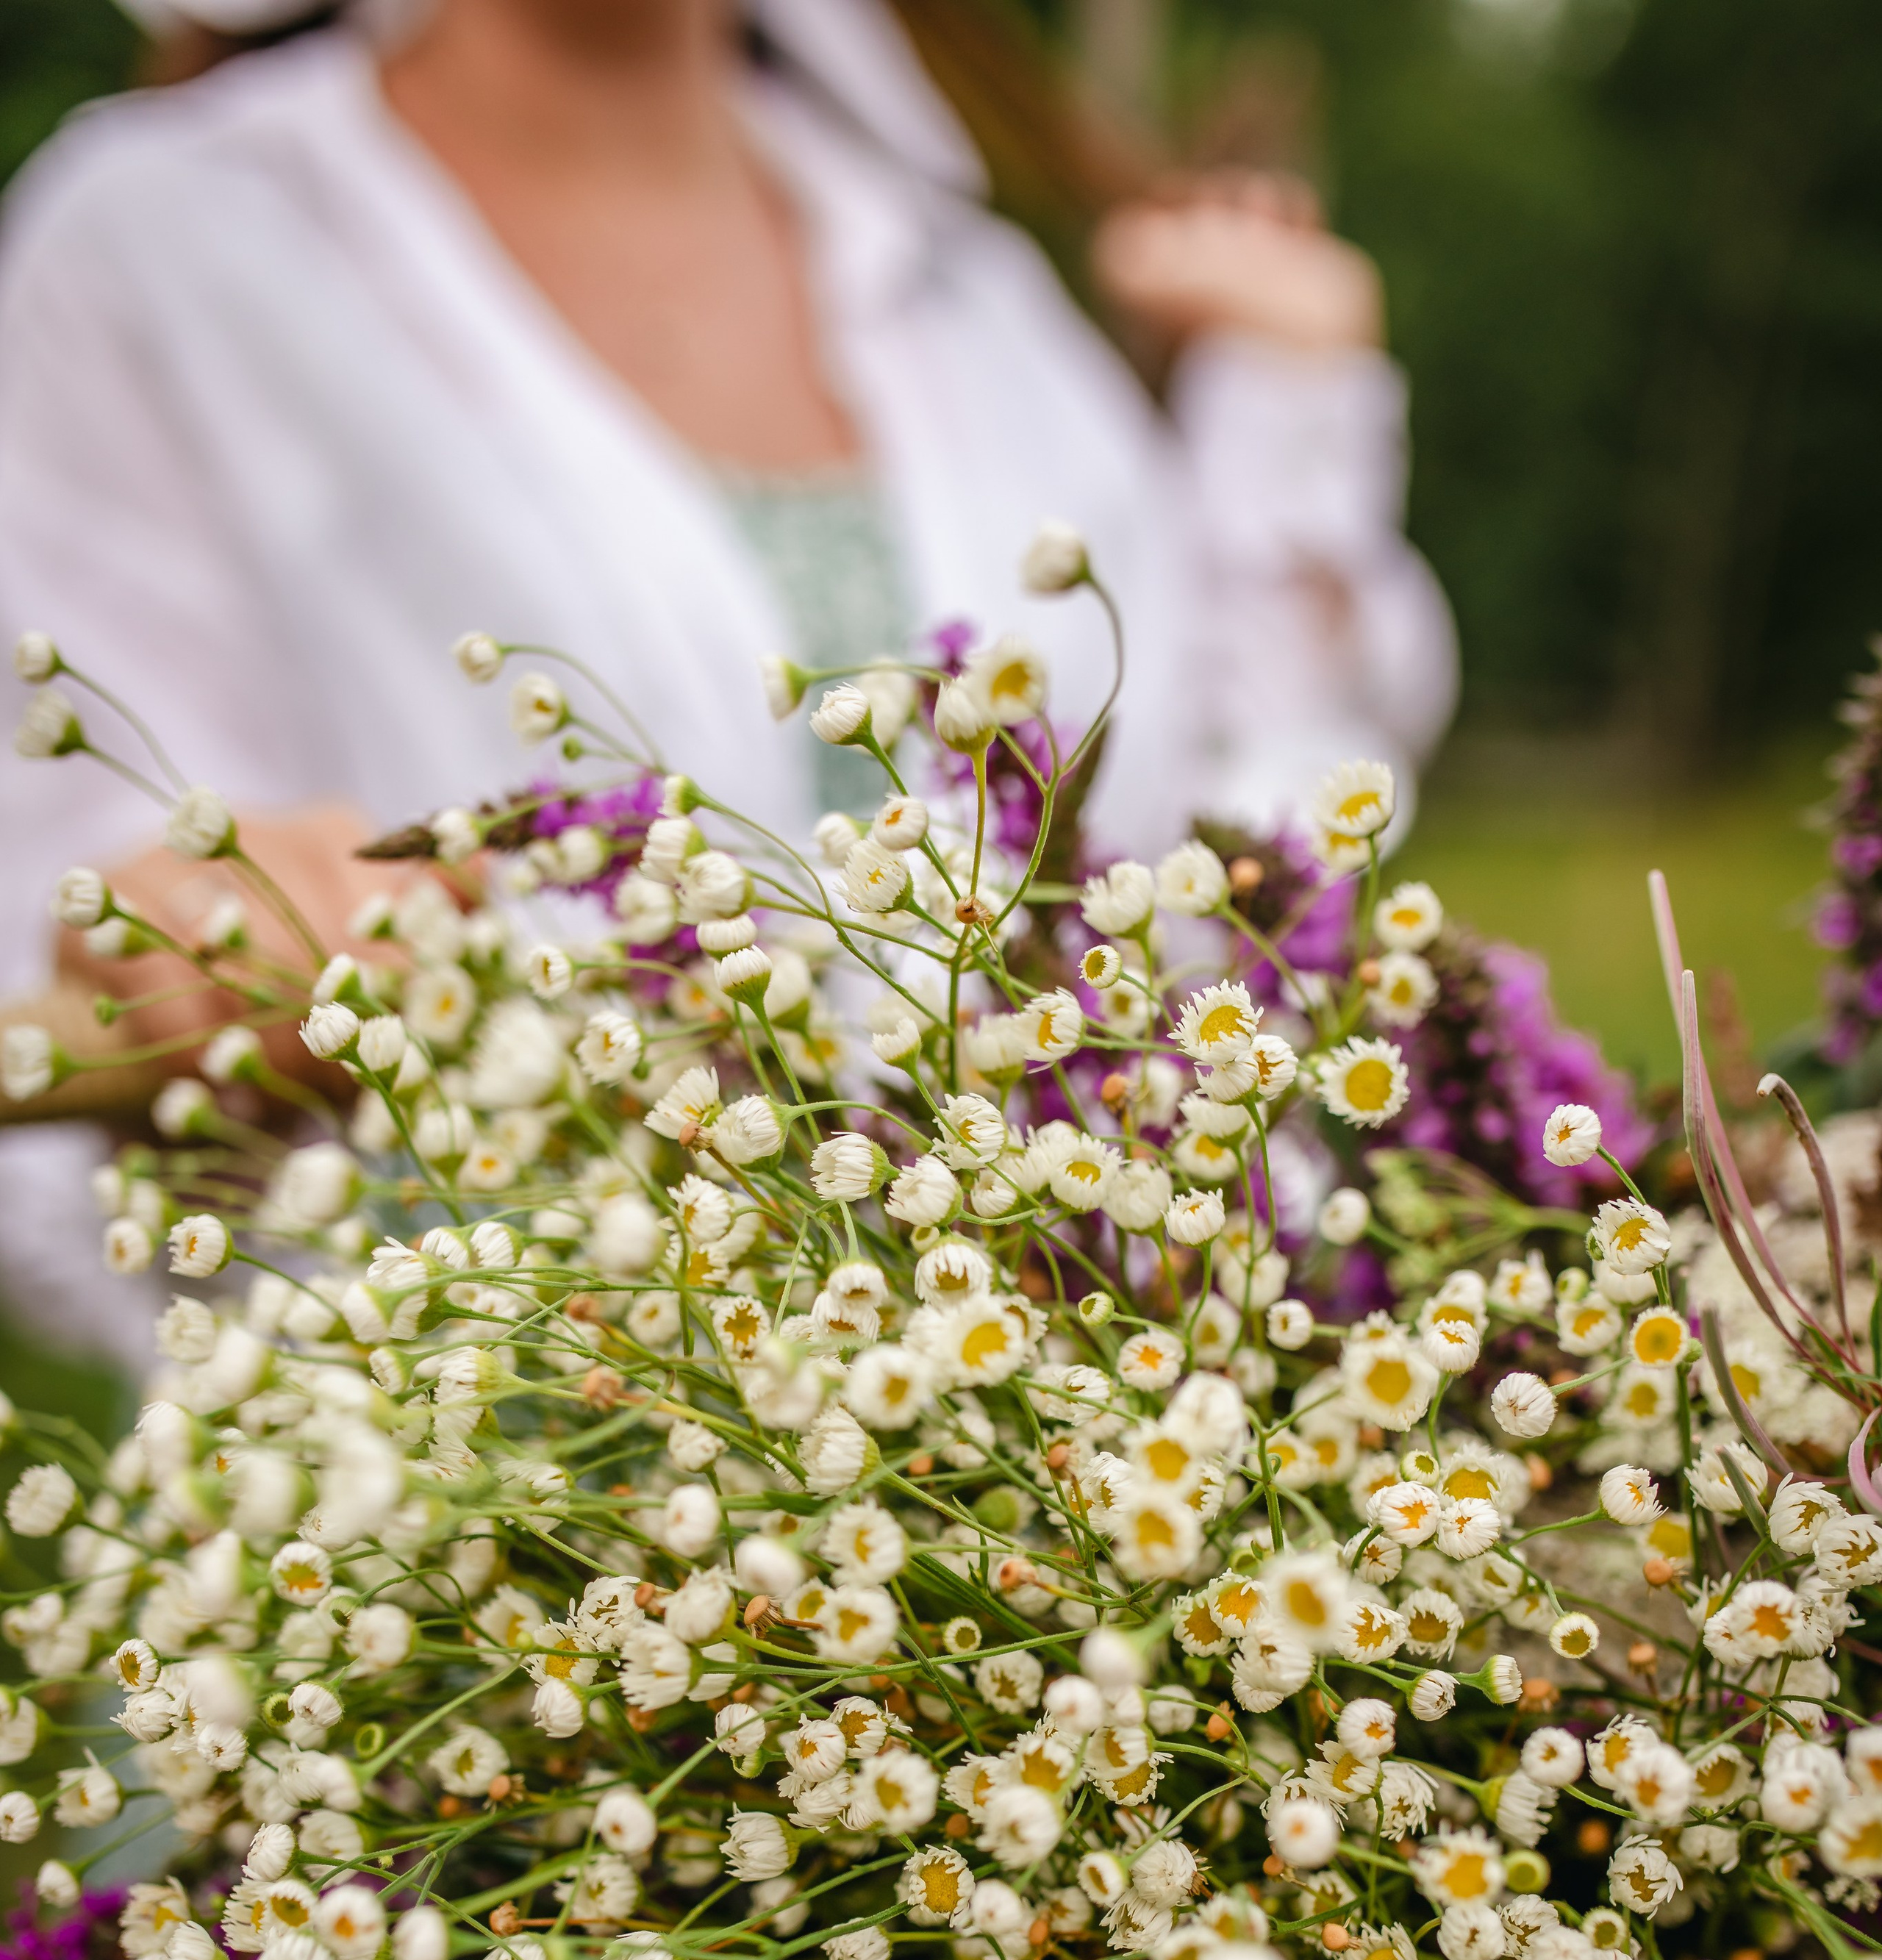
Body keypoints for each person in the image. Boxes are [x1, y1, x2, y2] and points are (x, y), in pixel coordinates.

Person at [0, 0, 1456, 1358]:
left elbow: (1225, 888)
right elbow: (70, 920)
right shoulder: (161, 246)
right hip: (508, 1518)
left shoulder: (963, 282)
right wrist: (183, 936)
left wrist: (1286, 420)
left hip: (1069, 1516)